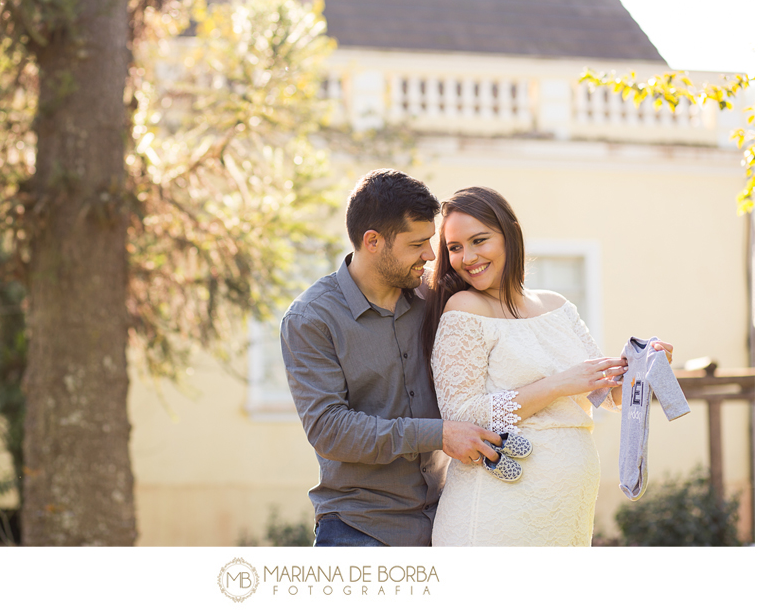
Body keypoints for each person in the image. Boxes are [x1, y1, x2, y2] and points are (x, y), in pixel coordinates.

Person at [421, 186, 673, 547]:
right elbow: (463, 416)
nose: (468, 257)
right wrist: (556, 385)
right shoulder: (464, 308)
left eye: (479, 240)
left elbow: (609, 395)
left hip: (566, 514)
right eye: (455, 247)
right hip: (496, 513)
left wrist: (645, 368)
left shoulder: (557, 306)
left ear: (509, 234)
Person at [279, 169, 502, 547]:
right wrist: (439, 434)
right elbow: (330, 430)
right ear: (373, 241)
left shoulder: (439, 298)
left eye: (430, 242)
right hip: (359, 531)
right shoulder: (311, 319)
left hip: (449, 523)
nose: (430, 256)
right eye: (417, 245)